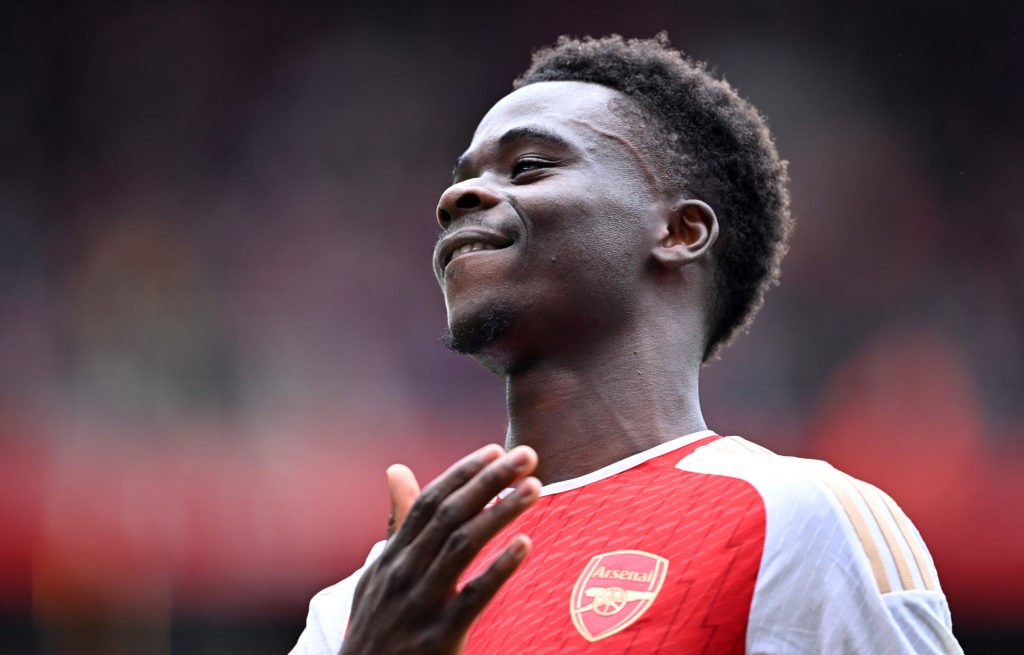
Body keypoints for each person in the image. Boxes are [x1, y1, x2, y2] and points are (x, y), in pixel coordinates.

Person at [291, 34, 962, 654]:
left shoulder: (792, 519)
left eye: (525, 167)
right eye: (463, 174)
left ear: (679, 230)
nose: (457, 195)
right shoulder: (377, 594)